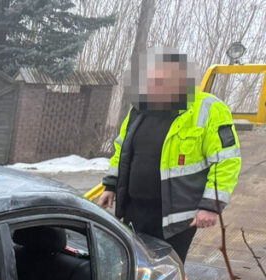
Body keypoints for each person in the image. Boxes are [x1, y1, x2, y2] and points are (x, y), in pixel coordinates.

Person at [97, 47, 241, 262]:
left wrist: (211, 205)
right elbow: (122, 151)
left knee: (168, 267)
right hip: (134, 209)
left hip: (176, 216)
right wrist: (110, 185)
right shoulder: (139, 109)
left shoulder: (209, 109)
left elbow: (227, 161)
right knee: (134, 265)